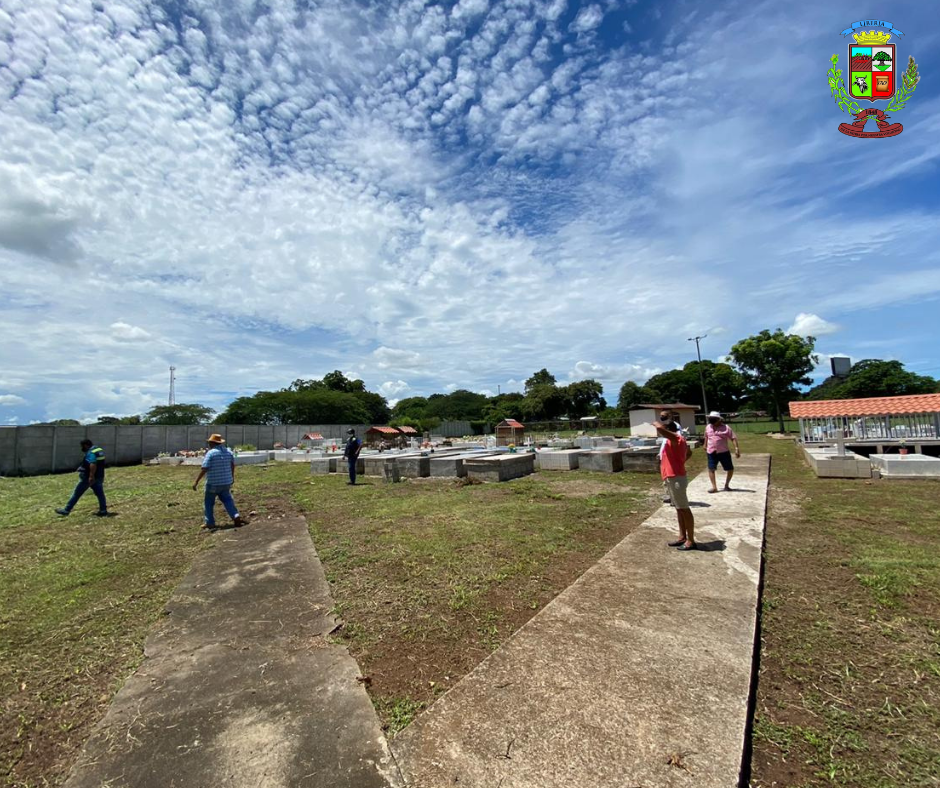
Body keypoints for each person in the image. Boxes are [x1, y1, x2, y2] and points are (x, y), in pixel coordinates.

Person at [655, 418, 695, 551]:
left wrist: (655, 423)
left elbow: (661, 429)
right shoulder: (671, 440)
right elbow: (688, 453)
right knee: (679, 508)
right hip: (671, 476)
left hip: (676, 478)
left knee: (684, 508)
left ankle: (691, 540)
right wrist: (679, 461)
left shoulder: (676, 438)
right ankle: (682, 536)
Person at [192, 434, 245, 530]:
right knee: (228, 500)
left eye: (209, 442)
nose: (208, 444)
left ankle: (210, 522)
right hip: (226, 482)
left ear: (212, 443)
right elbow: (232, 465)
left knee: (208, 502)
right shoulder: (228, 452)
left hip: (213, 484)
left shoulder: (211, 453)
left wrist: (196, 481)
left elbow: (204, 468)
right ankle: (235, 516)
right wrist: (232, 477)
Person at [56, 439, 108, 516]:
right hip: (99, 476)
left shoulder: (91, 452)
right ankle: (103, 510)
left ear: (86, 445)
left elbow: (93, 463)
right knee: (100, 494)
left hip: (88, 478)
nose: (82, 448)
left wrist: (91, 476)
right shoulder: (98, 450)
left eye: (82, 446)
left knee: (77, 493)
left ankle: (66, 510)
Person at [704, 411, 740, 493]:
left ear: (719, 419)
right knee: (711, 468)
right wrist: (705, 444)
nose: (711, 421)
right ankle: (714, 487)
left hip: (723, 452)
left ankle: (727, 485)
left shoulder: (726, 428)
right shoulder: (708, 427)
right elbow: (706, 436)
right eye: (710, 419)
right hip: (711, 451)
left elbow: (733, 438)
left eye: (713, 419)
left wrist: (736, 449)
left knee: (730, 468)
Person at [658, 409, 684, 503]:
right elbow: (665, 442)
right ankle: (669, 495)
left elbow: (676, 440)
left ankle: (674, 497)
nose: (661, 417)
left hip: (672, 456)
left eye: (663, 415)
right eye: (660, 415)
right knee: (665, 477)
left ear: (669, 416)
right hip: (664, 454)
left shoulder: (675, 426)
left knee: (672, 476)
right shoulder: (664, 426)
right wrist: (660, 453)